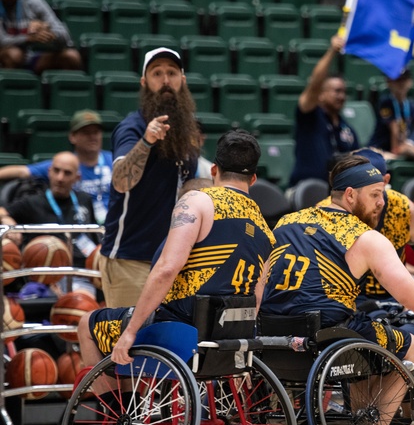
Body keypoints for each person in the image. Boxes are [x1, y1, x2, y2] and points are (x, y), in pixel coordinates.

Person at [78, 130, 275, 370]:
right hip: (228, 336)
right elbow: (257, 297)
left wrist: (131, 332)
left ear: (213, 170)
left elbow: (167, 268)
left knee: (87, 324)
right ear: (253, 179)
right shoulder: (266, 229)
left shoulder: (198, 201)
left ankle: (112, 407)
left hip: (180, 329)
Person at [260, 153, 414, 352]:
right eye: (375, 195)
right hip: (328, 334)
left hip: (273, 332)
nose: (381, 202)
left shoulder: (286, 222)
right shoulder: (364, 236)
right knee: (410, 345)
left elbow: (260, 284)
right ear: (350, 195)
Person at [99, 47, 200, 309]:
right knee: (126, 341)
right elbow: (121, 182)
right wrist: (147, 141)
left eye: (172, 72)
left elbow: (186, 187)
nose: (165, 80)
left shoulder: (186, 132)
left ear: (183, 80)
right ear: (145, 83)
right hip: (129, 259)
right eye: (157, 73)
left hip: (169, 259)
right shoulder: (132, 128)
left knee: (160, 343)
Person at [315, 149, 414, 306]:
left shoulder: (404, 208)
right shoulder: (327, 211)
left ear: (385, 181)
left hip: (395, 297)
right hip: (344, 300)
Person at [0, 152, 99, 294]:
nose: (60, 178)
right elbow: (2, 211)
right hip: (47, 275)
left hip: (82, 274)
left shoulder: (84, 200)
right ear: (49, 172)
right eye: (56, 171)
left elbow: (95, 240)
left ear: (77, 178)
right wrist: (7, 219)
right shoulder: (32, 202)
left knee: (84, 302)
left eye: (67, 173)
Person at [0, 110, 112, 224]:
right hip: (80, 221)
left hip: (113, 223)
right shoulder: (64, 165)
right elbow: (21, 171)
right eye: (86, 133)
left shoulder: (114, 161)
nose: (92, 137)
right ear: (73, 137)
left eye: (96, 132)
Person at [289, 35, 359, 186]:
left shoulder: (347, 129)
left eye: (344, 92)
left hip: (334, 195)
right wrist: (332, 51)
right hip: (304, 191)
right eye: (337, 91)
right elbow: (314, 84)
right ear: (321, 94)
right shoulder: (309, 116)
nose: (342, 96)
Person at [0, 0, 82, 74]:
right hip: (7, 55)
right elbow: (2, 41)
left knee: (72, 56)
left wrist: (48, 32)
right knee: (14, 55)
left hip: (33, 56)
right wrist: (29, 38)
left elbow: (64, 35)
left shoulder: (34, 2)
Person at [369, 70, 414, 156]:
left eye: (404, 80)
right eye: (397, 80)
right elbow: (394, 130)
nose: (401, 84)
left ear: (410, 82)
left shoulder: (412, 106)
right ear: (389, 82)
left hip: (402, 147)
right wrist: (396, 153)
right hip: (381, 148)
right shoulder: (386, 103)